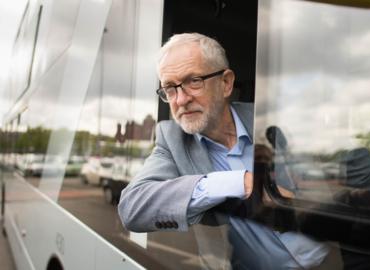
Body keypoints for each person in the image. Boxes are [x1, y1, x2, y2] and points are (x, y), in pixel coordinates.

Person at [117, 33, 332, 269]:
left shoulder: (270, 119)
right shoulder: (172, 140)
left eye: (193, 81)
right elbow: (131, 209)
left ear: (226, 83)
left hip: (328, 260)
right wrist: (237, 183)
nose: (181, 99)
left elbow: (323, 188)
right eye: (170, 88)